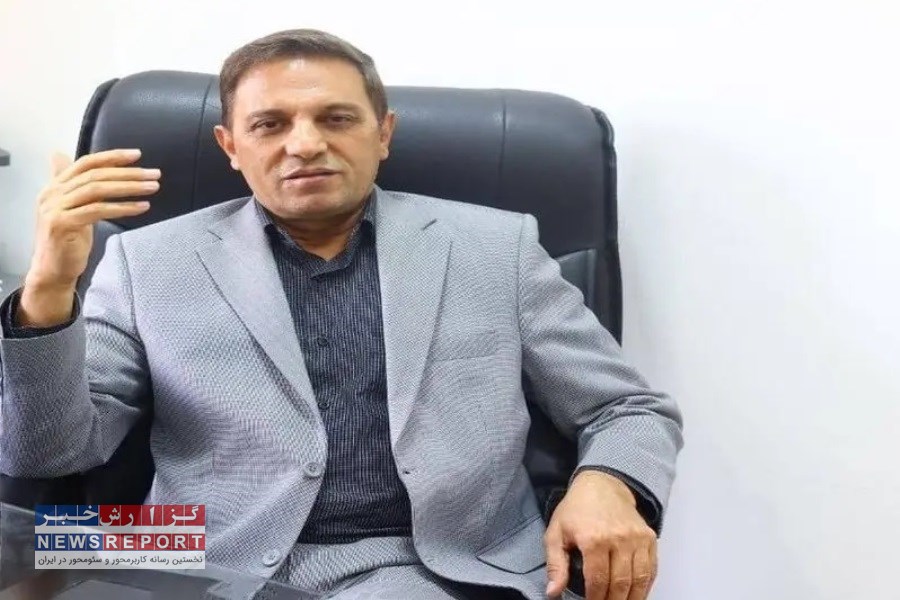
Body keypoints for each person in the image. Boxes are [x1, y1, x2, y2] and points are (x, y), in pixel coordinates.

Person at [0, 29, 683, 600]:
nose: (304, 144)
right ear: (231, 147)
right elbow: (46, 454)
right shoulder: (146, 261)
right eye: (269, 124)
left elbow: (627, 408)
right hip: (196, 550)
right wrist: (49, 288)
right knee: (25, 544)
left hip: (424, 560)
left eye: (336, 118)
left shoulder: (494, 248)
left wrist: (607, 483)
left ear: (382, 133)